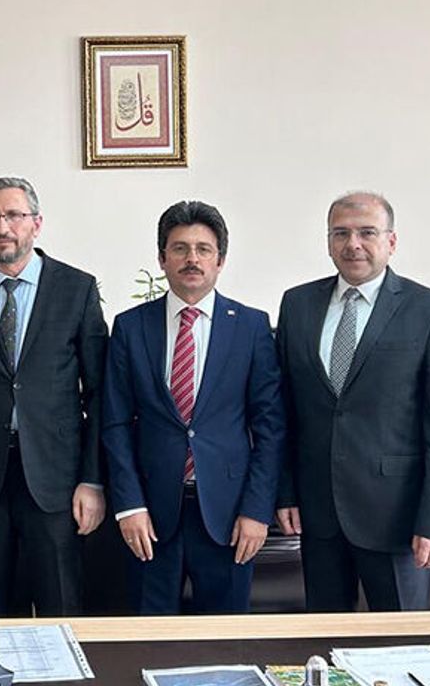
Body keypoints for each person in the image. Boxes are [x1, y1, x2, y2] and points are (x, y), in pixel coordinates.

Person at [275, 191, 430, 611]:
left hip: (398, 518)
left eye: (367, 232)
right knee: (324, 636)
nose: (353, 244)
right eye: (340, 233)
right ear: (328, 242)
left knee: (401, 641)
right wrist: (286, 492)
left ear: (391, 241)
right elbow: (286, 411)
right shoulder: (297, 305)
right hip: (318, 514)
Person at [0, 176, 107, 616]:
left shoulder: (77, 289)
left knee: (60, 610)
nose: (3, 226)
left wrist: (92, 479)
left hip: (56, 482)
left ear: (36, 223)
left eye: (14, 215)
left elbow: (100, 395)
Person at [102, 201, 284, 614]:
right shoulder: (131, 327)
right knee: (150, 637)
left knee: (225, 639)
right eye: (180, 248)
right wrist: (130, 505)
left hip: (229, 517)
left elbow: (270, 428)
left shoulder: (251, 327)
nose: (192, 259)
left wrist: (257, 511)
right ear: (162, 258)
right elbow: (114, 423)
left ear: (220, 260)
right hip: (149, 517)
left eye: (204, 249)